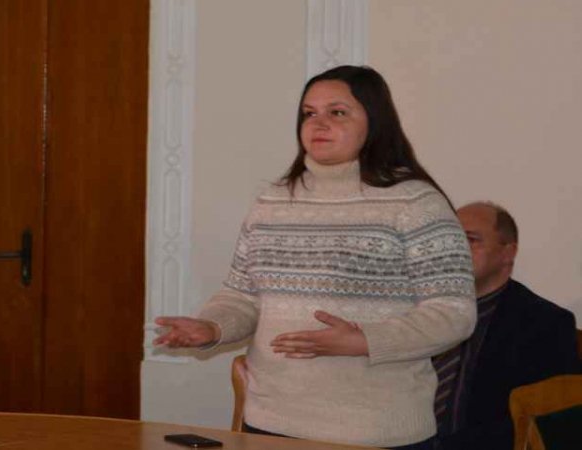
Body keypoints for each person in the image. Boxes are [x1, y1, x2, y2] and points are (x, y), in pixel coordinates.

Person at [154, 65, 476, 449]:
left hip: (375, 431)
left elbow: (453, 314)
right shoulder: (273, 202)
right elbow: (243, 296)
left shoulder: (416, 203)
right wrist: (212, 327)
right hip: (269, 422)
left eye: (337, 112)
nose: (319, 123)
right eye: (309, 113)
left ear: (375, 122)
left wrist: (364, 340)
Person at [435, 202, 579, 450]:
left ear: (508, 253)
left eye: (470, 239)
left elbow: (548, 422)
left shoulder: (545, 324)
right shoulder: (423, 311)